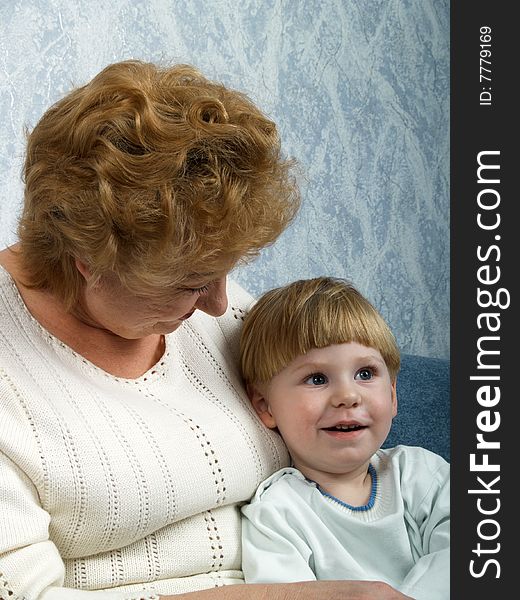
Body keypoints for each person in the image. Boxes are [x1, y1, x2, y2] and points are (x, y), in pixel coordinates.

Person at [0, 60, 411, 600]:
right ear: (86, 259)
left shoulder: (215, 310)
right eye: (192, 283)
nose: (221, 305)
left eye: (225, 272)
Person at [239, 277, 450, 600]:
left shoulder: (422, 473)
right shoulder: (278, 513)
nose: (348, 396)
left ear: (392, 396)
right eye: (317, 378)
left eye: (365, 374)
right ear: (266, 406)